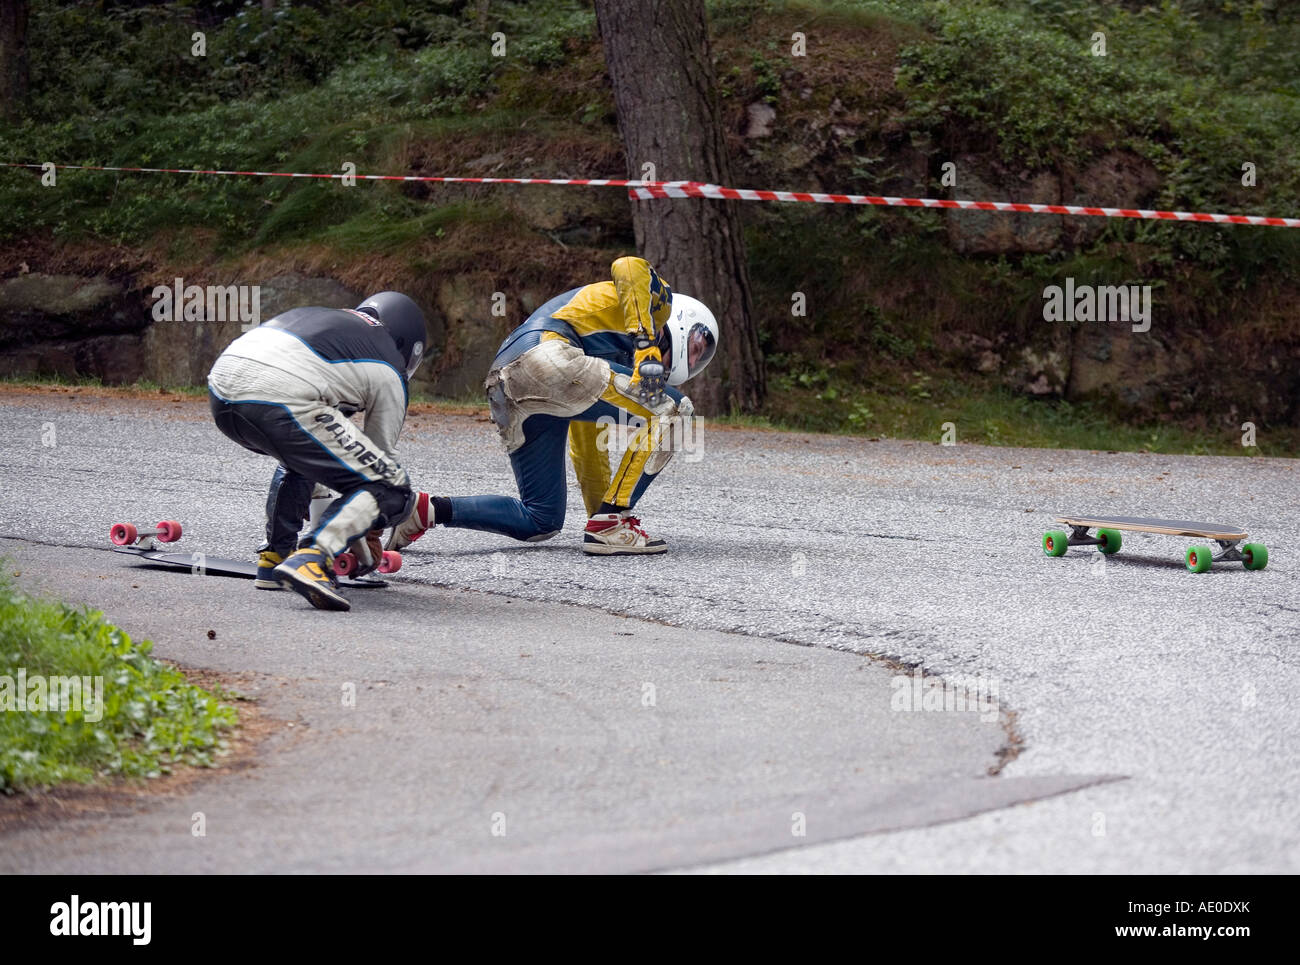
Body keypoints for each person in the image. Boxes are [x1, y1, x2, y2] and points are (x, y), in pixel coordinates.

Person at [385, 256, 718, 556]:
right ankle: (613, 523)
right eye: (696, 347)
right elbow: (627, 264)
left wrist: (600, 514)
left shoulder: (601, 358)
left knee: (540, 519)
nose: (692, 361)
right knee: (675, 411)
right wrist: (646, 345)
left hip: (505, 379)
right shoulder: (653, 309)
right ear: (682, 323)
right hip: (547, 353)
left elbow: (588, 447)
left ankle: (426, 510)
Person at [207, 292, 427, 611]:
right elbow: (379, 463)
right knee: (392, 487)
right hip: (278, 395)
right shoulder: (389, 365)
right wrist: (367, 531)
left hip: (222, 389)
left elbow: (324, 454)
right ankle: (313, 558)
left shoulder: (332, 323)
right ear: (409, 345)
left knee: (305, 456)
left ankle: (275, 558)